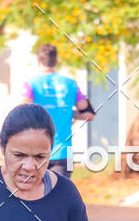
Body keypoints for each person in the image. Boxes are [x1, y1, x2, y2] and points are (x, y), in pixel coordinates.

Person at [22, 43, 95, 178]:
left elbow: (21, 112)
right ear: (56, 61)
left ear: (38, 60)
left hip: (37, 152)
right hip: (63, 153)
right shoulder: (71, 84)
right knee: (59, 196)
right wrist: (69, 113)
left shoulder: (31, 84)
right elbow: (88, 114)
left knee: (35, 196)